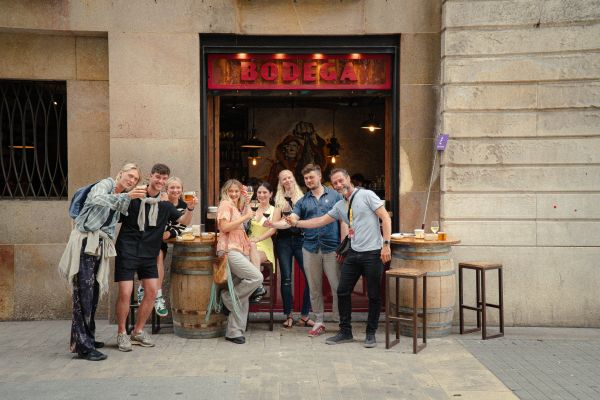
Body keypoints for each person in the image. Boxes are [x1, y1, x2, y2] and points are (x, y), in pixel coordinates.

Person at [287, 168, 391, 348]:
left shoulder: (367, 195)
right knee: (342, 291)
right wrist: (297, 223)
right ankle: (345, 331)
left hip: (373, 252)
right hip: (354, 252)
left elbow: (385, 218)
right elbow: (319, 221)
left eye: (341, 181)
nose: (339, 185)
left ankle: (370, 333)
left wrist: (386, 244)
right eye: (335, 183)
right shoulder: (340, 205)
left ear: (348, 179)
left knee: (374, 295)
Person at [58, 163, 145, 361]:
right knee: (84, 294)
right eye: (129, 176)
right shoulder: (106, 184)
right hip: (85, 243)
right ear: (120, 173)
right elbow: (95, 199)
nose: (131, 181)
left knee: (93, 292)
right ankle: (84, 347)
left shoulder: (122, 194)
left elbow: (117, 220)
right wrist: (126, 196)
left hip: (98, 245)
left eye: (135, 179)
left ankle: (84, 339)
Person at [114, 163, 196, 352]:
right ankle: (121, 333)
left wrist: (190, 209)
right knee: (126, 293)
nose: (160, 181)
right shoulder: (135, 197)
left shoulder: (165, 204)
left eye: (164, 178)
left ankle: (138, 331)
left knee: (152, 292)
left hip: (149, 253)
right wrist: (126, 195)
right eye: (157, 177)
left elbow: (182, 221)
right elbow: (115, 214)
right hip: (127, 249)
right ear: (150, 177)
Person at [286, 164, 346, 337]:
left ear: (319, 176)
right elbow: (294, 219)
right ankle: (319, 321)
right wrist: (281, 221)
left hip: (332, 248)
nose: (308, 180)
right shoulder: (303, 201)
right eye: (305, 178)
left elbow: (343, 221)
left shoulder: (335, 195)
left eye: (311, 177)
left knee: (337, 286)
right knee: (314, 287)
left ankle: (341, 320)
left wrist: (342, 246)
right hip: (310, 248)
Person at [216, 179, 264, 344]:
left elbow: (251, 217)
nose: (234, 194)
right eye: (231, 191)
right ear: (226, 192)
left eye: (237, 191)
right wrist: (245, 216)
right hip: (230, 249)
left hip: (241, 249)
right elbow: (224, 227)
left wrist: (247, 201)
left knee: (242, 292)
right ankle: (227, 298)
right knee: (256, 278)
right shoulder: (225, 205)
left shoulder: (237, 207)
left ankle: (234, 332)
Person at [136, 176, 187, 317]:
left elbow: (181, 226)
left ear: (182, 190)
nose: (175, 190)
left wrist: (169, 233)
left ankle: (145, 290)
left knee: (158, 255)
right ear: (166, 189)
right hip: (149, 238)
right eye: (172, 187)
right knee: (156, 255)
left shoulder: (183, 206)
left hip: (162, 240)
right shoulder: (158, 200)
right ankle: (154, 294)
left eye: (178, 188)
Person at [272, 169, 312, 328]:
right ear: (280, 183)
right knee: (287, 279)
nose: (287, 181)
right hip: (284, 241)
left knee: (310, 277)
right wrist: (278, 221)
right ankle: (288, 315)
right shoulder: (278, 200)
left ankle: (305, 315)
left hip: (301, 239)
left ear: (293, 179)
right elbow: (276, 222)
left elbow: (309, 219)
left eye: (289, 177)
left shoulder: (303, 198)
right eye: (283, 179)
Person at [248, 182, 277, 270]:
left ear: (271, 194)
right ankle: (256, 280)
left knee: (251, 259)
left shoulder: (275, 210)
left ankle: (255, 280)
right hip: (248, 242)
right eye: (259, 192)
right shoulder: (251, 206)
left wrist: (258, 239)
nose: (261, 195)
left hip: (264, 244)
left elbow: (273, 230)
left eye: (265, 192)